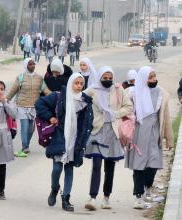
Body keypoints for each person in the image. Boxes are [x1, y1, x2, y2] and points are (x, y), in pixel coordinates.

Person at [35, 72, 93, 212]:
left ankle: (66, 198)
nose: (79, 86)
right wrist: (50, 118)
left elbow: (87, 122)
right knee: (57, 168)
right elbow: (39, 103)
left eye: (81, 84)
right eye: (76, 83)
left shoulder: (84, 101)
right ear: (70, 83)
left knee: (69, 169)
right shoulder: (59, 96)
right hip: (60, 136)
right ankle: (54, 189)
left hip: (75, 139)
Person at [84, 66, 133, 211]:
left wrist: (115, 114)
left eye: (110, 78)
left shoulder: (118, 89)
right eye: (105, 78)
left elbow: (128, 107)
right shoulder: (92, 90)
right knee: (97, 164)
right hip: (97, 131)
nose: (108, 80)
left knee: (110, 167)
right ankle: (92, 197)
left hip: (112, 131)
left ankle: (106, 197)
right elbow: (79, 100)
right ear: (99, 77)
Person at [125, 66, 173, 209]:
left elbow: (166, 117)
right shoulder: (133, 93)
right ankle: (138, 196)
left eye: (154, 76)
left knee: (153, 164)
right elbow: (124, 112)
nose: (153, 80)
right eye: (150, 77)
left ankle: (147, 188)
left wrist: (169, 138)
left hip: (154, 133)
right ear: (143, 79)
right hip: (138, 134)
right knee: (139, 166)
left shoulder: (161, 94)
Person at [6, 58, 50, 156]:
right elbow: (13, 90)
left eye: (33, 64)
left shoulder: (39, 78)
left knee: (31, 129)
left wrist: (55, 97)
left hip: (34, 107)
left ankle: (26, 145)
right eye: (30, 64)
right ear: (26, 65)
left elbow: (45, 90)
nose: (32, 66)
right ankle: (25, 146)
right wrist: (6, 100)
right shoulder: (20, 77)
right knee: (25, 127)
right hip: (22, 106)